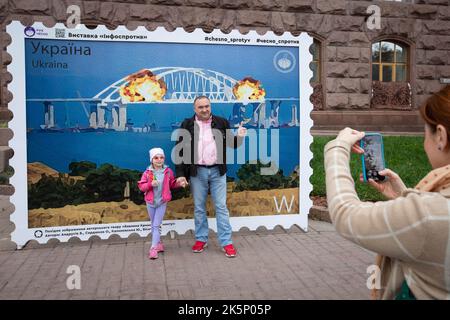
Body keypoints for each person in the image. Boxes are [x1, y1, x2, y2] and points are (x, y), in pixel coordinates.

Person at [324, 85, 450, 299]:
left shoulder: (431, 214)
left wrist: (337, 148)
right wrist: (404, 198)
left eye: (425, 132)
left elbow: (345, 214)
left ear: (440, 136)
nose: (424, 142)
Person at [174, 96, 247, 258]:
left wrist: (239, 136)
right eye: (200, 107)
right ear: (195, 109)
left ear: (210, 106)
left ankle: (226, 242)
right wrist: (180, 175)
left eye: (207, 106)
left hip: (218, 172)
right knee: (199, 208)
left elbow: (232, 144)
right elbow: (179, 151)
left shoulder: (222, 122)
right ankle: (201, 239)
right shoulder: (187, 125)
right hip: (196, 172)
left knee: (221, 207)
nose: (205, 110)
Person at [138, 147, 185, 259]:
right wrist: (150, 184)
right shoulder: (147, 173)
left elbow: (172, 184)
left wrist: (179, 184)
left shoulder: (168, 172)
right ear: (151, 160)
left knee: (155, 225)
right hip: (150, 203)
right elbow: (141, 187)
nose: (159, 160)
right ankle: (158, 244)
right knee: (154, 225)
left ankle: (153, 248)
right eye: (156, 158)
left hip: (162, 202)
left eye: (161, 157)